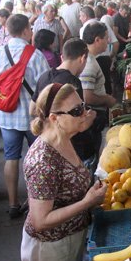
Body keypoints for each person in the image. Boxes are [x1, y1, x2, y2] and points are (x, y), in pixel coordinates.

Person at [21, 83, 106, 261]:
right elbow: (41, 220)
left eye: (83, 106)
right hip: (50, 248)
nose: (84, 114)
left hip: (70, 238)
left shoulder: (65, 137)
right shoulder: (42, 161)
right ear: (54, 118)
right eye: (77, 111)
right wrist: (87, 202)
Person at [0, 14, 50, 218]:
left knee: (11, 157)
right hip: (32, 118)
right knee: (38, 158)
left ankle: (13, 203)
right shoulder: (35, 55)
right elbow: (45, 87)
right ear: (25, 31)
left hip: (7, 115)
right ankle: (37, 201)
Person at [33, 38, 98, 166]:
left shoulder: (44, 77)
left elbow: (33, 109)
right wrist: (92, 116)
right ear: (83, 58)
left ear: (63, 56)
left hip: (52, 143)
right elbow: (81, 123)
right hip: (75, 149)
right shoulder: (72, 83)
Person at [80, 22, 117, 155]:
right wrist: (107, 99)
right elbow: (87, 97)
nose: (108, 41)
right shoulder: (89, 64)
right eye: (106, 38)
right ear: (97, 40)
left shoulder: (90, 59)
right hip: (93, 117)